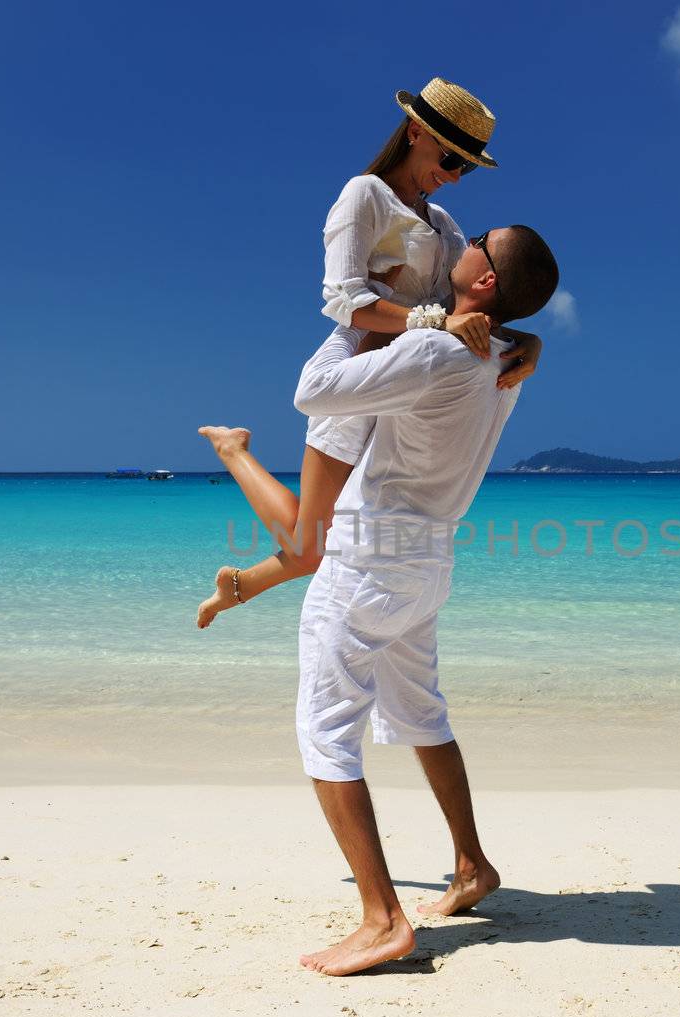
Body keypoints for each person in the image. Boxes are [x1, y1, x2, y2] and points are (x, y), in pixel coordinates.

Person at [287, 223, 559, 976]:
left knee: (324, 726)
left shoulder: (443, 349)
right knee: (420, 711)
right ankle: (471, 863)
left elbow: (312, 394)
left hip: (373, 555)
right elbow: (517, 340)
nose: (463, 242)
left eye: (477, 242)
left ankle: (381, 919)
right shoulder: (505, 352)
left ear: (484, 283)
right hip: (428, 558)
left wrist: (360, 313)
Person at [195, 78, 542, 628]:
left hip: (405, 387)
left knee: (335, 544)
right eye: (450, 158)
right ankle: (233, 450)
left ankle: (235, 585)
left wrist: (527, 339)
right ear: (414, 132)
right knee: (312, 549)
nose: (452, 176)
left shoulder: (446, 227)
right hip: (356, 366)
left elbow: (473, 301)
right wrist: (434, 322)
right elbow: (344, 301)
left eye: (465, 168)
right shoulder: (365, 195)